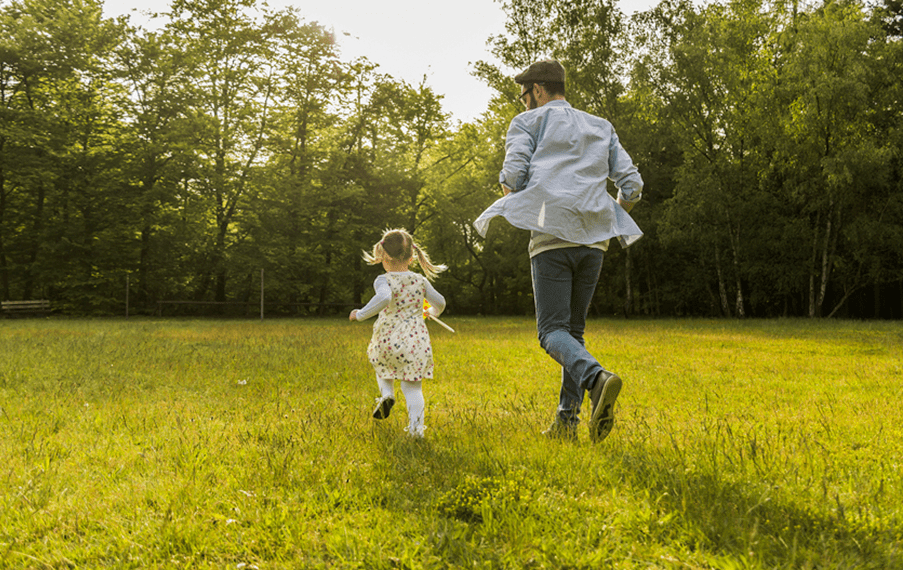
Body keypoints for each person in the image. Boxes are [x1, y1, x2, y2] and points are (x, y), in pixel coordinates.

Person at [473, 59, 644, 443]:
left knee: (551, 331)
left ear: (537, 89)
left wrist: (516, 199)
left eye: (524, 95)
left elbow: (513, 177)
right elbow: (632, 186)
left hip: (552, 238)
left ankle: (598, 379)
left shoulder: (527, 123)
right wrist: (608, 217)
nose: (523, 103)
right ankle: (567, 423)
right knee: (574, 333)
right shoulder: (601, 126)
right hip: (594, 243)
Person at [349, 228, 447, 439]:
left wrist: (360, 314)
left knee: (382, 367)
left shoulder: (383, 280)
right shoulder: (420, 281)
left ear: (383, 256)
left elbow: (384, 299)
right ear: (412, 257)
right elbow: (440, 302)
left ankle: (386, 394)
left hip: (387, 338)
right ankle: (416, 431)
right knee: (413, 388)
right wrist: (431, 312)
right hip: (415, 340)